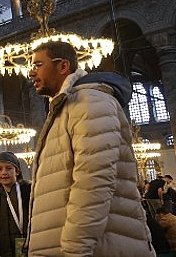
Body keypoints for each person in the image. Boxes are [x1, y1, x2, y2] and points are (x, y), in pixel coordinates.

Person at [26, 41, 154, 256]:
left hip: (95, 248)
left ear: (63, 66)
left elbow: (93, 183)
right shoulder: (66, 107)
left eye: (38, 65)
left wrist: (75, 250)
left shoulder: (90, 102)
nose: (31, 72)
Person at [0, 151, 30, 257]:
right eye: (0, 169)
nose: (4, 173)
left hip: (29, 245)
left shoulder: (27, 190)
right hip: (7, 249)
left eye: (9, 168)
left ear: (17, 171)